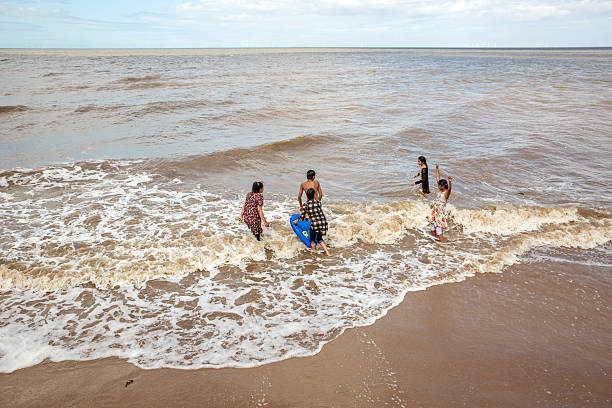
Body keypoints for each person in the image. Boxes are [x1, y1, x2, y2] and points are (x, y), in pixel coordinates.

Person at [294, 188, 330, 255]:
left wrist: (296, 221)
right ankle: (328, 253)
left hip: (315, 224)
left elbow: (302, 218)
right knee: (319, 238)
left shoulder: (306, 204)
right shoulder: (318, 202)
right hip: (323, 222)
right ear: (314, 195)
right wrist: (308, 216)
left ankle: (314, 254)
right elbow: (315, 212)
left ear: (307, 196)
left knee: (312, 239)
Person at [430, 164, 452, 242]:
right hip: (435, 211)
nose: (438, 185)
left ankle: (442, 244)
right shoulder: (440, 190)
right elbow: (438, 179)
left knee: (438, 230)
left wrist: (450, 182)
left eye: (439, 185)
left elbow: (449, 190)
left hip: (440, 213)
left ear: (442, 186)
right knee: (432, 227)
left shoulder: (446, 193)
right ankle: (434, 241)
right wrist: (437, 169)